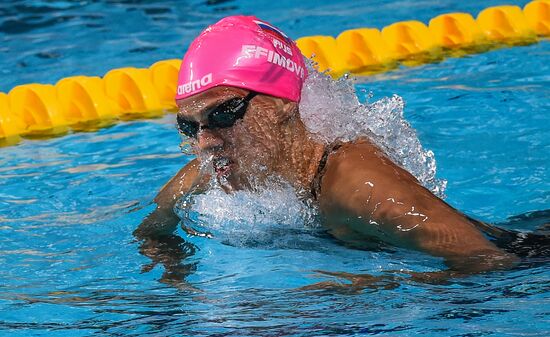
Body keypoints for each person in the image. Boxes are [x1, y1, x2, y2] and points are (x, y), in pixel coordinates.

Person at [135, 15, 546, 279]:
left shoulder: (356, 183)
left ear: (280, 103)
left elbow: (488, 263)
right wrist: (177, 280)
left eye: (224, 115)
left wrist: (381, 298)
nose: (206, 142)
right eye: (190, 126)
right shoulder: (220, 162)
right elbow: (153, 227)